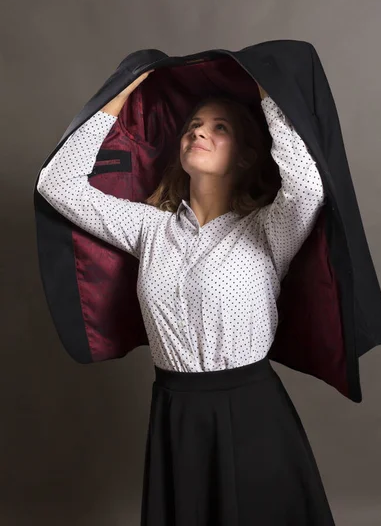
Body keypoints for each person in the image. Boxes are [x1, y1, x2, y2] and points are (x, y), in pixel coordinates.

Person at [37, 68, 335, 525]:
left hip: (252, 413)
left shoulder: (268, 230)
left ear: (245, 156)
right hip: (176, 413)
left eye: (220, 128)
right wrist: (118, 97)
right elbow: (57, 186)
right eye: (194, 125)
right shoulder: (149, 228)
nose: (199, 130)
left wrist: (264, 81)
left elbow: (308, 185)